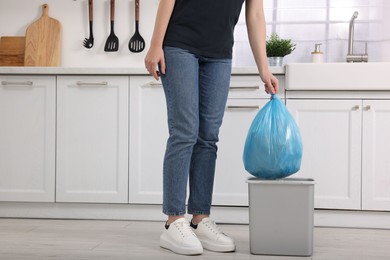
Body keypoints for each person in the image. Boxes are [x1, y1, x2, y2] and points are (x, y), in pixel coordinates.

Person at [144, 0, 279, 256]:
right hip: (179, 45)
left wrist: (264, 68)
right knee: (184, 132)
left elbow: (256, 13)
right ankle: (173, 221)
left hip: (219, 53)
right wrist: (155, 44)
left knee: (208, 137)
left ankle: (199, 218)